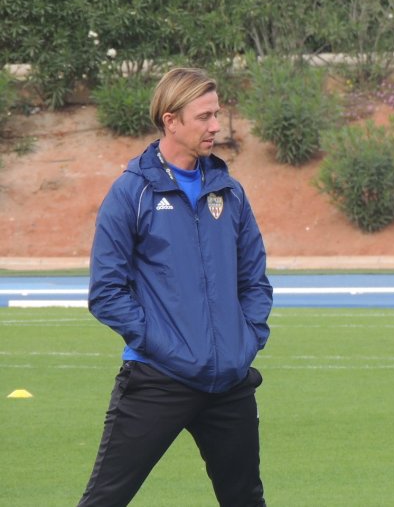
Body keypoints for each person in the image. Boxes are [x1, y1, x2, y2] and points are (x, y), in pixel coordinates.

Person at [79, 67, 273, 506]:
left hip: (228, 381)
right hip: (157, 378)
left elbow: (255, 282)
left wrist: (246, 341)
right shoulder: (132, 193)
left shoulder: (231, 192)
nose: (216, 126)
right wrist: (164, 345)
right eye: (204, 116)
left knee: (245, 499)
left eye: (217, 114)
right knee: (105, 499)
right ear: (171, 120)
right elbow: (106, 292)